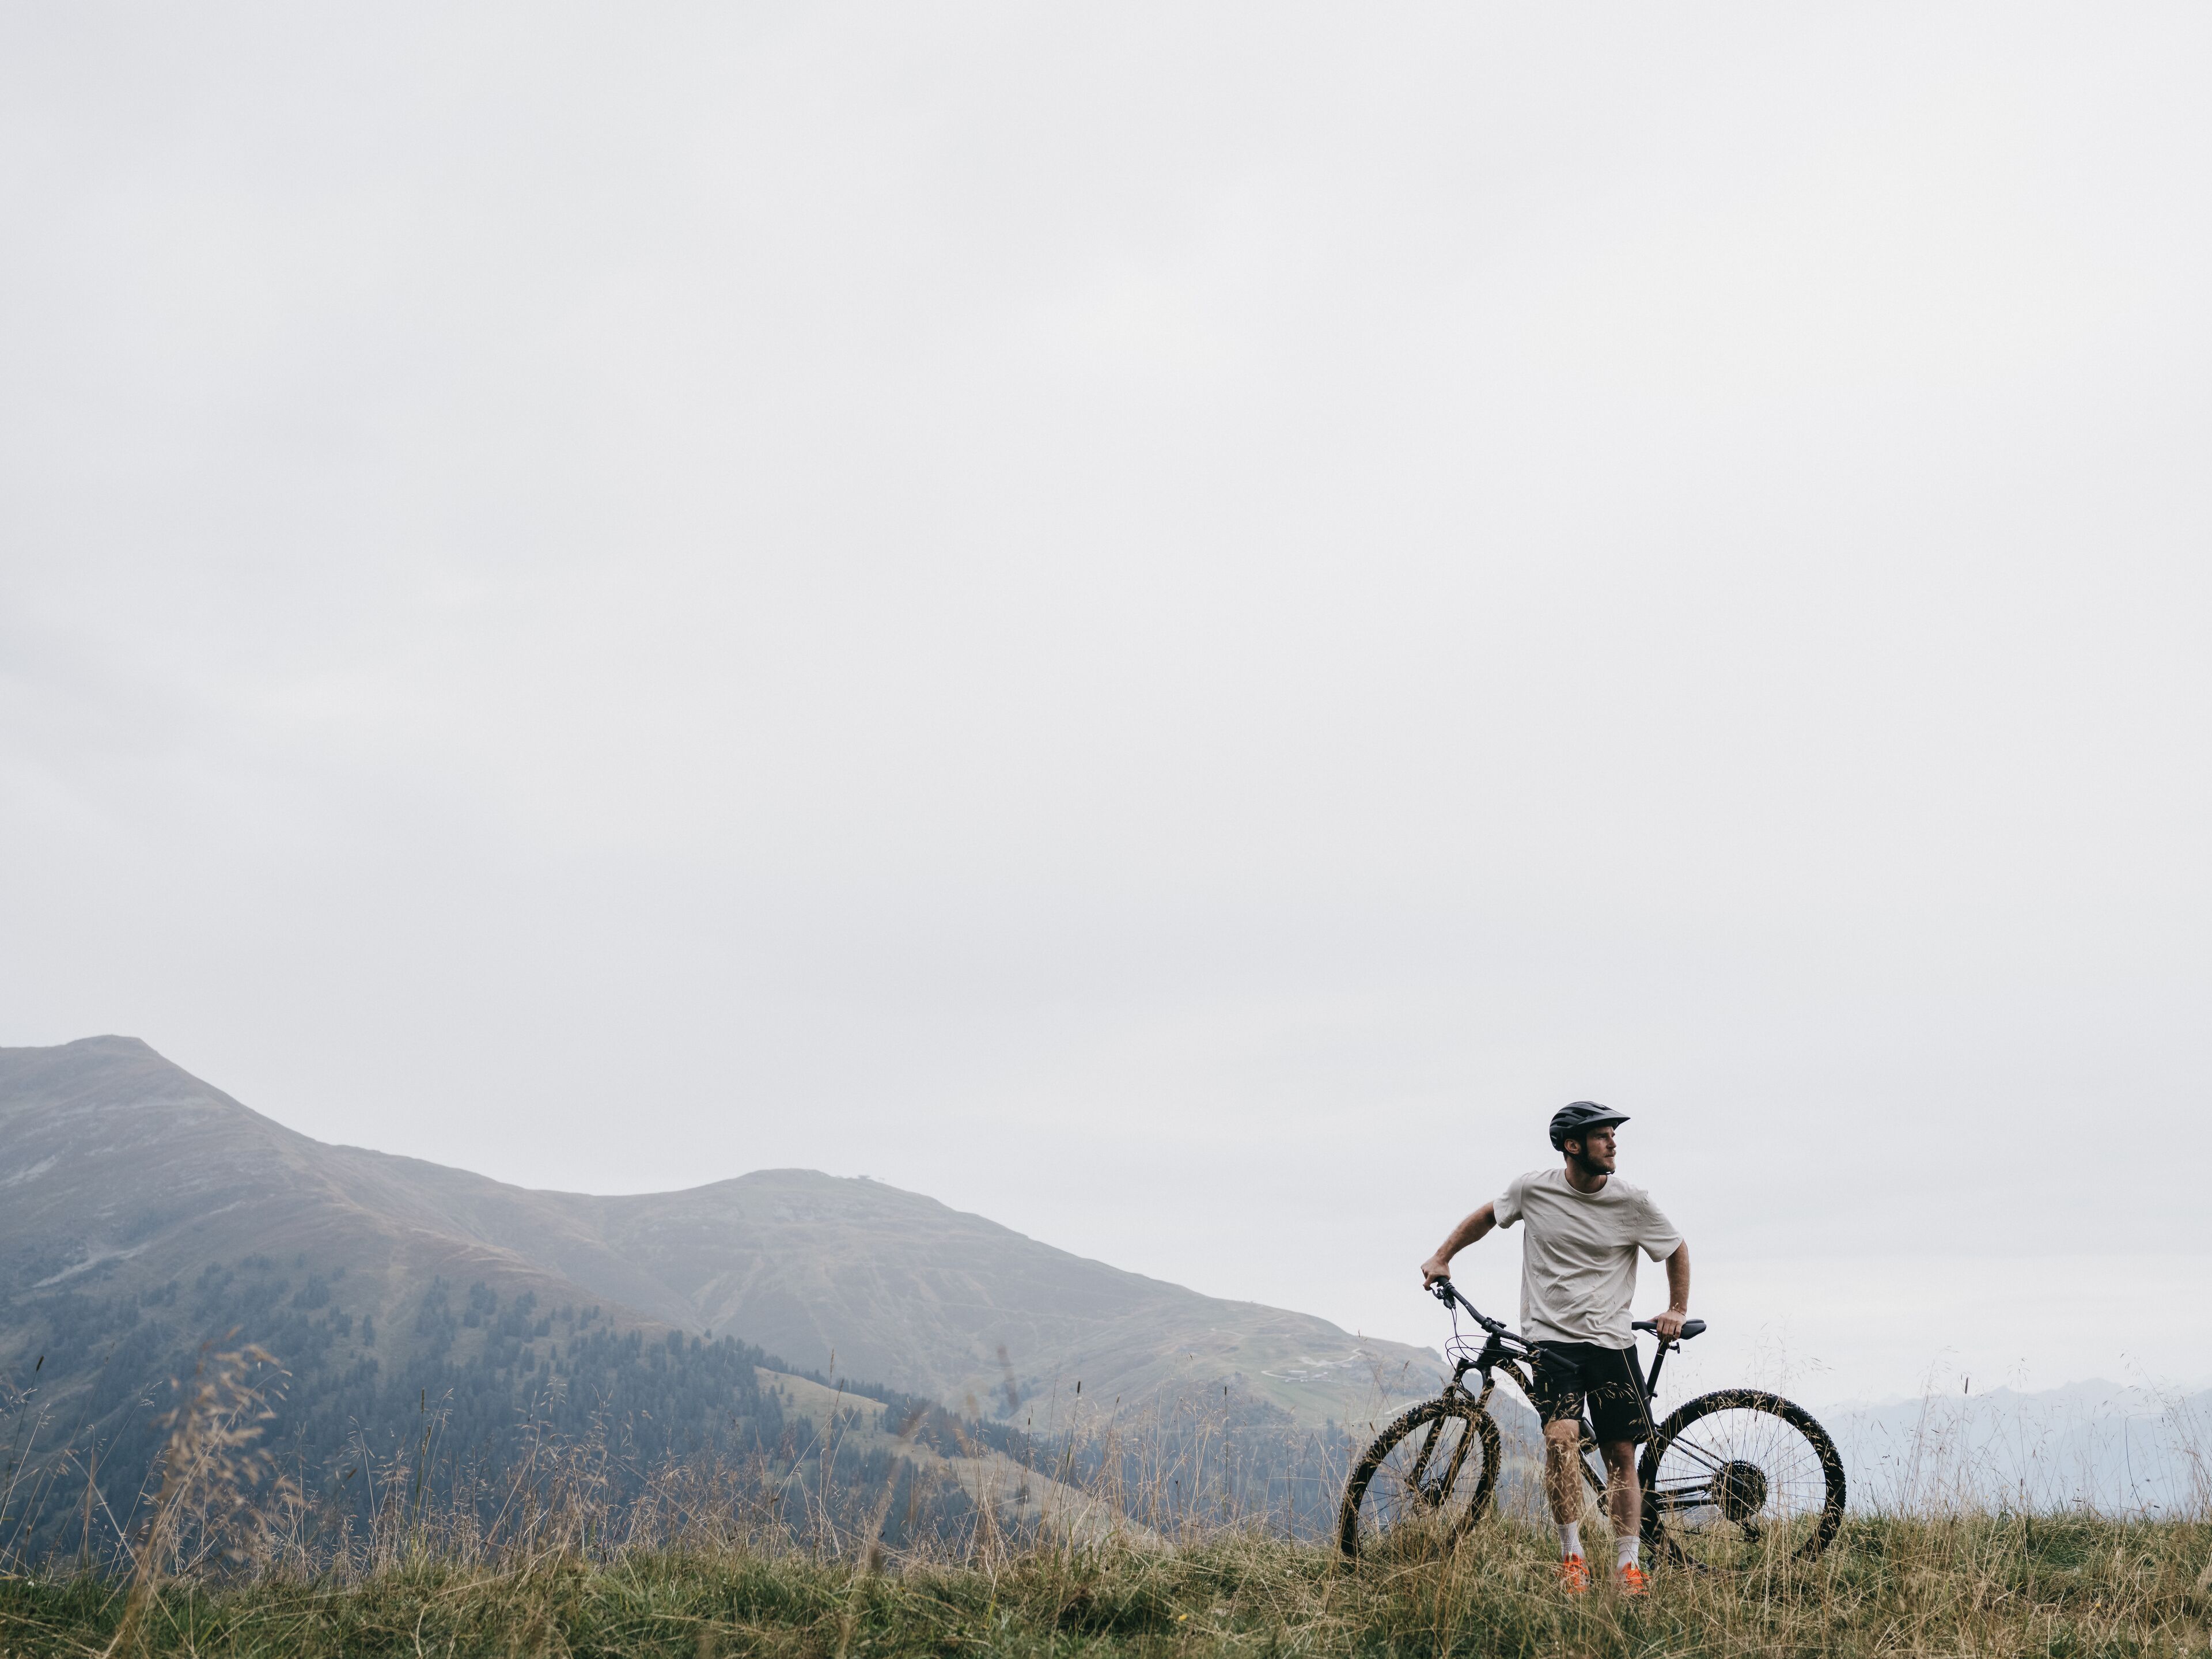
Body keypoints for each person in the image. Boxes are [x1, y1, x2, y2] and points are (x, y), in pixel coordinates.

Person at [1419, 1101, 1690, 1596]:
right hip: (1550, 1341)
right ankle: (1573, 1560)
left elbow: (1674, 1248)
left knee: (1619, 1455)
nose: (1613, 1143)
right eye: (1603, 1135)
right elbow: (1485, 1217)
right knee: (1561, 1441)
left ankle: (1627, 1566)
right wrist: (1442, 1257)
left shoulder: (1633, 1201)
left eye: (1613, 1135)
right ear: (1572, 1145)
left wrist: (1675, 1307)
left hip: (1612, 1342)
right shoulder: (1533, 1189)